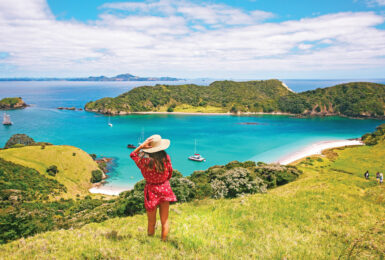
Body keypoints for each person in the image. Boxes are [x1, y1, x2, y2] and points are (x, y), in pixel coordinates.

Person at [130, 134, 177, 241]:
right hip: (165, 188)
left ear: (149, 148)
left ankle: (150, 242)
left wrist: (141, 146)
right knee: (165, 221)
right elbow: (170, 173)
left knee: (151, 222)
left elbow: (133, 154)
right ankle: (163, 242)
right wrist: (164, 181)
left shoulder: (144, 162)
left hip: (151, 191)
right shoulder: (166, 158)